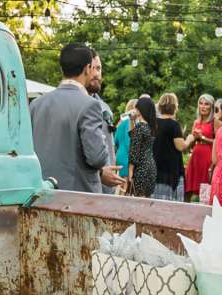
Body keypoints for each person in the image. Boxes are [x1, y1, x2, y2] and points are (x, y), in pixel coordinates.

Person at [29, 42, 118, 194]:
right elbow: (97, 158)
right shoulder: (90, 105)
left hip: (42, 193)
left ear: (62, 69)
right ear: (87, 68)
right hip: (78, 196)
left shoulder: (36, 104)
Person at [152, 92, 186, 202]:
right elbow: (180, 146)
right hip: (170, 171)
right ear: (175, 107)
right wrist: (190, 138)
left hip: (156, 169)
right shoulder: (174, 125)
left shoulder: (154, 123)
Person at [184, 94, 216, 203]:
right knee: (187, 187)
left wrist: (202, 137)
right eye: (201, 103)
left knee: (205, 191)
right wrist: (193, 138)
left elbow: (217, 141)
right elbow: (192, 142)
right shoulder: (196, 122)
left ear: (211, 107)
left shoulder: (214, 122)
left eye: (206, 104)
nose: (203, 106)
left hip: (208, 158)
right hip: (195, 157)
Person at [127, 94, 159, 198]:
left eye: (136, 108)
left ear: (141, 110)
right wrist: (132, 120)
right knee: (146, 198)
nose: (134, 110)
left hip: (140, 168)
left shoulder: (140, 126)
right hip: (151, 166)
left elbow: (134, 150)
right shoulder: (151, 127)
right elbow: (133, 136)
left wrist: (130, 170)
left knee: (139, 200)